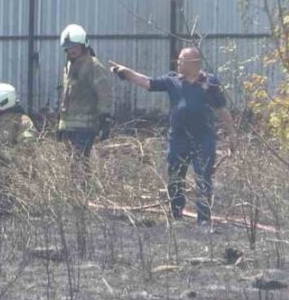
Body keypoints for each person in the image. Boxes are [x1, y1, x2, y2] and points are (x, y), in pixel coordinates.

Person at [109, 47, 235, 225]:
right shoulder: (172, 80)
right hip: (178, 138)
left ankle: (204, 220)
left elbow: (222, 109)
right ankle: (176, 213)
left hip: (203, 138)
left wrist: (232, 135)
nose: (178, 63)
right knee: (175, 175)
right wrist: (126, 72)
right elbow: (148, 82)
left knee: (203, 177)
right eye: (179, 60)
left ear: (195, 64)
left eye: (182, 60)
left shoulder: (210, 82)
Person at [57, 24, 114, 158]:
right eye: (68, 48)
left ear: (84, 45)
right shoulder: (69, 65)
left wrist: (104, 118)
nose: (71, 50)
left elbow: (104, 93)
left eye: (75, 46)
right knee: (71, 165)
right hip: (69, 127)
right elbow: (66, 96)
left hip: (86, 126)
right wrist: (60, 124)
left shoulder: (93, 65)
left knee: (79, 163)